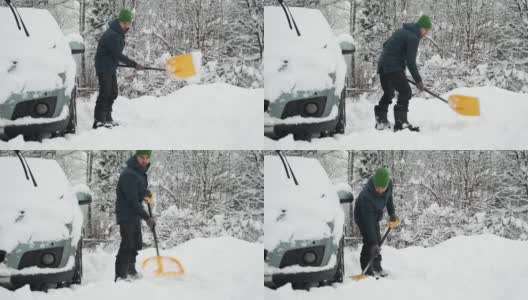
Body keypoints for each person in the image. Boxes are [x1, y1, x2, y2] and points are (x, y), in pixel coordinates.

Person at [375, 15, 432, 132]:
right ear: (420, 27)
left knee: (389, 92)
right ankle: (401, 124)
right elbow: (411, 62)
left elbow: (385, 45)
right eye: (425, 30)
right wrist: (418, 80)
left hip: (382, 65)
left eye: (428, 31)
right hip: (392, 66)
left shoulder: (401, 31)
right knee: (405, 91)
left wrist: (398, 68)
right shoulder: (413, 37)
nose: (426, 33)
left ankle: (381, 121)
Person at [93, 8, 145, 129]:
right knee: (105, 93)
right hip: (104, 67)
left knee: (113, 93)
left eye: (128, 23)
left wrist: (116, 62)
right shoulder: (112, 34)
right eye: (124, 23)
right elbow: (118, 55)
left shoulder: (118, 33)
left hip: (110, 66)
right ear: (119, 21)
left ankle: (107, 118)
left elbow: (113, 54)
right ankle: (99, 120)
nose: (126, 26)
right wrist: (134, 64)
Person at [114, 150, 155, 281]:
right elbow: (131, 200)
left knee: (135, 243)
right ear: (136, 157)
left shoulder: (139, 172)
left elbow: (136, 192)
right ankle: (121, 275)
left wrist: (144, 192)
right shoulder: (129, 174)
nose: (144, 160)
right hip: (127, 214)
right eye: (141, 157)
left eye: (147, 157)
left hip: (134, 214)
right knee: (127, 244)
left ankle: (131, 271)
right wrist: (147, 217)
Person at [354, 167, 399, 276]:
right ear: (374, 183)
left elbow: (389, 198)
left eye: (382, 188)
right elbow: (368, 224)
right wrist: (373, 243)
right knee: (370, 242)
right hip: (363, 215)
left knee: (377, 241)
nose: (380, 190)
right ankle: (366, 272)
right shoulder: (366, 196)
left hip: (374, 214)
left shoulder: (389, 184)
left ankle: (377, 267)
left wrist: (392, 213)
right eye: (377, 188)